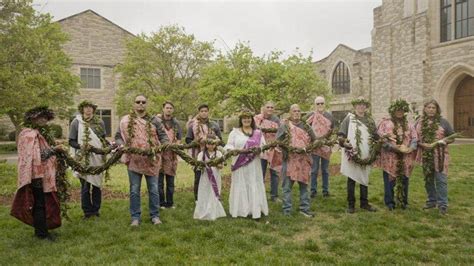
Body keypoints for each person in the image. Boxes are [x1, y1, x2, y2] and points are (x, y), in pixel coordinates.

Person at [115, 95, 169, 226]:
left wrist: (163, 146)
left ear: (146, 104)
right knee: (134, 189)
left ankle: (155, 216)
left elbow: (164, 137)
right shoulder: (126, 120)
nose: (140, 104)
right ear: (134, 104)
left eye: (143, 102)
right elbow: (118, 137)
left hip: (151, 161)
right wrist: (121, 145)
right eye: (138, 102)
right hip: (134, 160)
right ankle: (135, 217)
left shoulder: (155, 120)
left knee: (154, 189)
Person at [11, 106, 64, 240]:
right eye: (40, 117)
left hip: (45, 174)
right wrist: (54, 150)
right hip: (36, 175)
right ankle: (41, 234)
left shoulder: (41, 133)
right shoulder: (28, 134)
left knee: (44, 202)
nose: (43, 120)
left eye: (45, 118)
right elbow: (36, 156)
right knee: (39, 203)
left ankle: (43, 229)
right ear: (32, 118)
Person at [225, 110, 269, 219]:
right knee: (241, 184)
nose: (246, 120)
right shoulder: (235, 132)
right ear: (241, 120)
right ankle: (241, 210)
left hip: (254, 164)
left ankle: (255, 209)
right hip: (240, 164)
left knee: (253, 183)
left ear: (251, 119)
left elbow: (264, 147)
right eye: (244, 118)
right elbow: (228, 146)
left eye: (248, 117)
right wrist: (232, 150)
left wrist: (260, 150)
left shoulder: (258, 133)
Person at [338, 97, 378, 213]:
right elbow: (341, 134)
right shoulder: (349, 119)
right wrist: (344, 143)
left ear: (366, 107)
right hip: (352, 153)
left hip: (366, 153)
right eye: (359, 105)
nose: (361, 107)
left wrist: (382, 139)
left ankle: (364, 203)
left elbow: (375, 135)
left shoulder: (370, 120)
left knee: (364, 178)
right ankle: (351, 204)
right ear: (355, 107)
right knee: (351, 178)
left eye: (363, 105)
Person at [415, 99, 455, 215]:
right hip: (426, 155)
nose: (431, 110)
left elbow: (452, 137)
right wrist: (422, 144)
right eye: (429, 107)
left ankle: (443, 204)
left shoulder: (443, 122)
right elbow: (414, 138)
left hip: (440, 155)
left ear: (437, 109)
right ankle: (431, 201)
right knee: (428, 179)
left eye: (433, 108)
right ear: (425, 109)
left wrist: (443, 141)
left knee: (441, 180)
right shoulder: (419, 122)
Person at [69, 100, 108, 219]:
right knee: (85, 186)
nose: (88, 109)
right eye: (86, 107)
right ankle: (87, 212)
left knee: (96, 185)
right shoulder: (76, 122)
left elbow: (102, 139)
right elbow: (71, 141)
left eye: (91, 107)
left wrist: (109, 147)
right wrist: (82, 147)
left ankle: (96, 210)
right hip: (82, 158)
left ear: (93, 109)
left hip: (97, 158)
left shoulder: (99, 122)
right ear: (82, 109)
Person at [276, 104, 316, 218]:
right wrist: (287, 148)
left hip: (303, 160)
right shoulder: (285, 126)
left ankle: (304, 209)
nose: (297, 113)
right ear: (290, 113)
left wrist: (308, 148)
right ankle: (287, 210)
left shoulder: (306, 126)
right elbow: (278, 141)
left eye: (299, 111)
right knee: (287, 187)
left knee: (304, 186)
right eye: (294, 111)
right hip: (289, 160)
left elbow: (315, 140)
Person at [376, 99, 417, 210]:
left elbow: (414, 138)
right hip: (389, 156)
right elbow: (381, 137)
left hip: (405, 156)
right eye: (397, 110)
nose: (399, 112)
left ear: (405, 111)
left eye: (402, 110)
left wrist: (411, 148)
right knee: (389, 179)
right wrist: (392, 147)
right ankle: (389, 202)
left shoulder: (409, 125)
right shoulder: (385, 123)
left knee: (404, 178)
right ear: (392, 110)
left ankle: (403, 201)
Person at [185, 104, 222, 202]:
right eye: (202, 111)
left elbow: (220, 140)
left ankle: (213, 198)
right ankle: (198, 199)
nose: (204, 113)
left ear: (208, 112)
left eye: (206, 111)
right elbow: (188, 140)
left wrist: (214, 142)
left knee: (213, 176)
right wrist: (198, 142)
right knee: (199, 178)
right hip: (199, 155)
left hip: (212, 154)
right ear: (199, 112)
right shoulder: (193, 125)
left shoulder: (214, 125)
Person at [305, 96, 335, 198]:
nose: (320, 105)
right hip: (315, 146)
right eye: (318, 104)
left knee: (325, 170)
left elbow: (332, 130)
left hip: (326, 145)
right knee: (314, 169)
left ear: (324, 104)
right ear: (315, 105)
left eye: (322, 103)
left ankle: (325, 190)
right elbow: (305, 128)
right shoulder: (311, 116)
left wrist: (326, 140)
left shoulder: (329, 116)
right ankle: (313, 190)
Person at [156, 101, 182, 209]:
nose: (169, 110)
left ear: (173, 110)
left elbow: (179, 138)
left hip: (171, 156)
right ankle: (161, 203)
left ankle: (170, 203)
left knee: (170, 183)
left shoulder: (176, 123)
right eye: (167, 108)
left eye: (171, 108)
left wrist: (176, 145)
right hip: (160, 155)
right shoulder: (157, 121)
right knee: (160, 182)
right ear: (163, 109)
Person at [254, 101, 282, 202]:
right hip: (261, 149)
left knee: (274, 173)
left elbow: (280, 133)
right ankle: (259, 196)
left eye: (272, 107)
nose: (270, 109)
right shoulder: (257, 119)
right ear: (264, 108)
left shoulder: (276, 120)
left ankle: (274, 195)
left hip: (273, 149)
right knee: (260, 172)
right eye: (268, 107)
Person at [193, 135, 226, 220]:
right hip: (205, 178)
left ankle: (213, 211)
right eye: (208, 144)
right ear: (206, 144)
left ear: (215, 144)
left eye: (213, 144)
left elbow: (221, 166)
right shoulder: (201, 154)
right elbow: (199, 165)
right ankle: (203, 210)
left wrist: (216, 164)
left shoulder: (218, 154)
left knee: (214, 192)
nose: (210, 146)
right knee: (204, 191)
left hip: (215, 176)